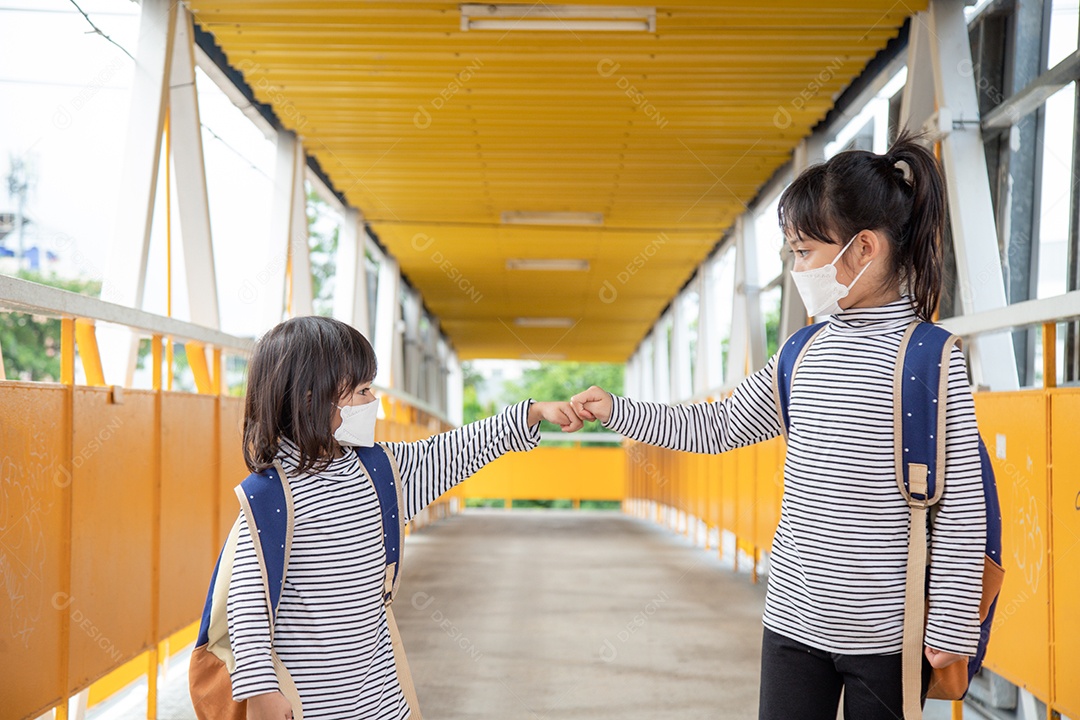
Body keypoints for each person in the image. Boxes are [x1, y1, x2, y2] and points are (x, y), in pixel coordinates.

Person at [570, 132, 986, 720]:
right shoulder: (801, 351)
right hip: (791, 620)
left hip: (888, 633)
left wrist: (948, 626)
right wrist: (618, 410)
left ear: (863, 248)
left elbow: (962, 505)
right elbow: (715, 428)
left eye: (804, 252)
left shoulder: (932, 357)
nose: (797, 270)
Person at [229, 315, 583, 719]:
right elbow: (248, 605)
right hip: (306, 703)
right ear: (310, 398)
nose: (372, 402)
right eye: (362, 391)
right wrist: (260, 690)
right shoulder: (269, 498)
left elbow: (455, 450)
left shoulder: (380, 473)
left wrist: (532, 413)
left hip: (381, 700)